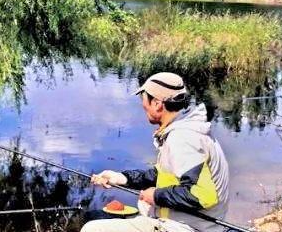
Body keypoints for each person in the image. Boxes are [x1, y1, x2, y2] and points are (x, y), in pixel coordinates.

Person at [84, 72, 230, 232]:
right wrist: (122, 178)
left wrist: (155, 196)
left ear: (157, 103)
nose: (142, 105)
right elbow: (161, 175)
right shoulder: (185, 128)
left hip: (187, 228)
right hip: (191, 224)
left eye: (144, 99)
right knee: (143, 206)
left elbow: (203, 195)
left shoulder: (184, 137)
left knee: (92, 229)